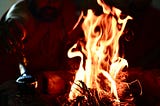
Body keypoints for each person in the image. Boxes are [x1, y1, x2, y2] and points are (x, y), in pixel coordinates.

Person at [0, 0, 82, 84]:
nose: (50, 3)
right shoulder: (22, 11)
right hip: (15, 87)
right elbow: (18, 18)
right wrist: (15, 28)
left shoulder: (66, 11)